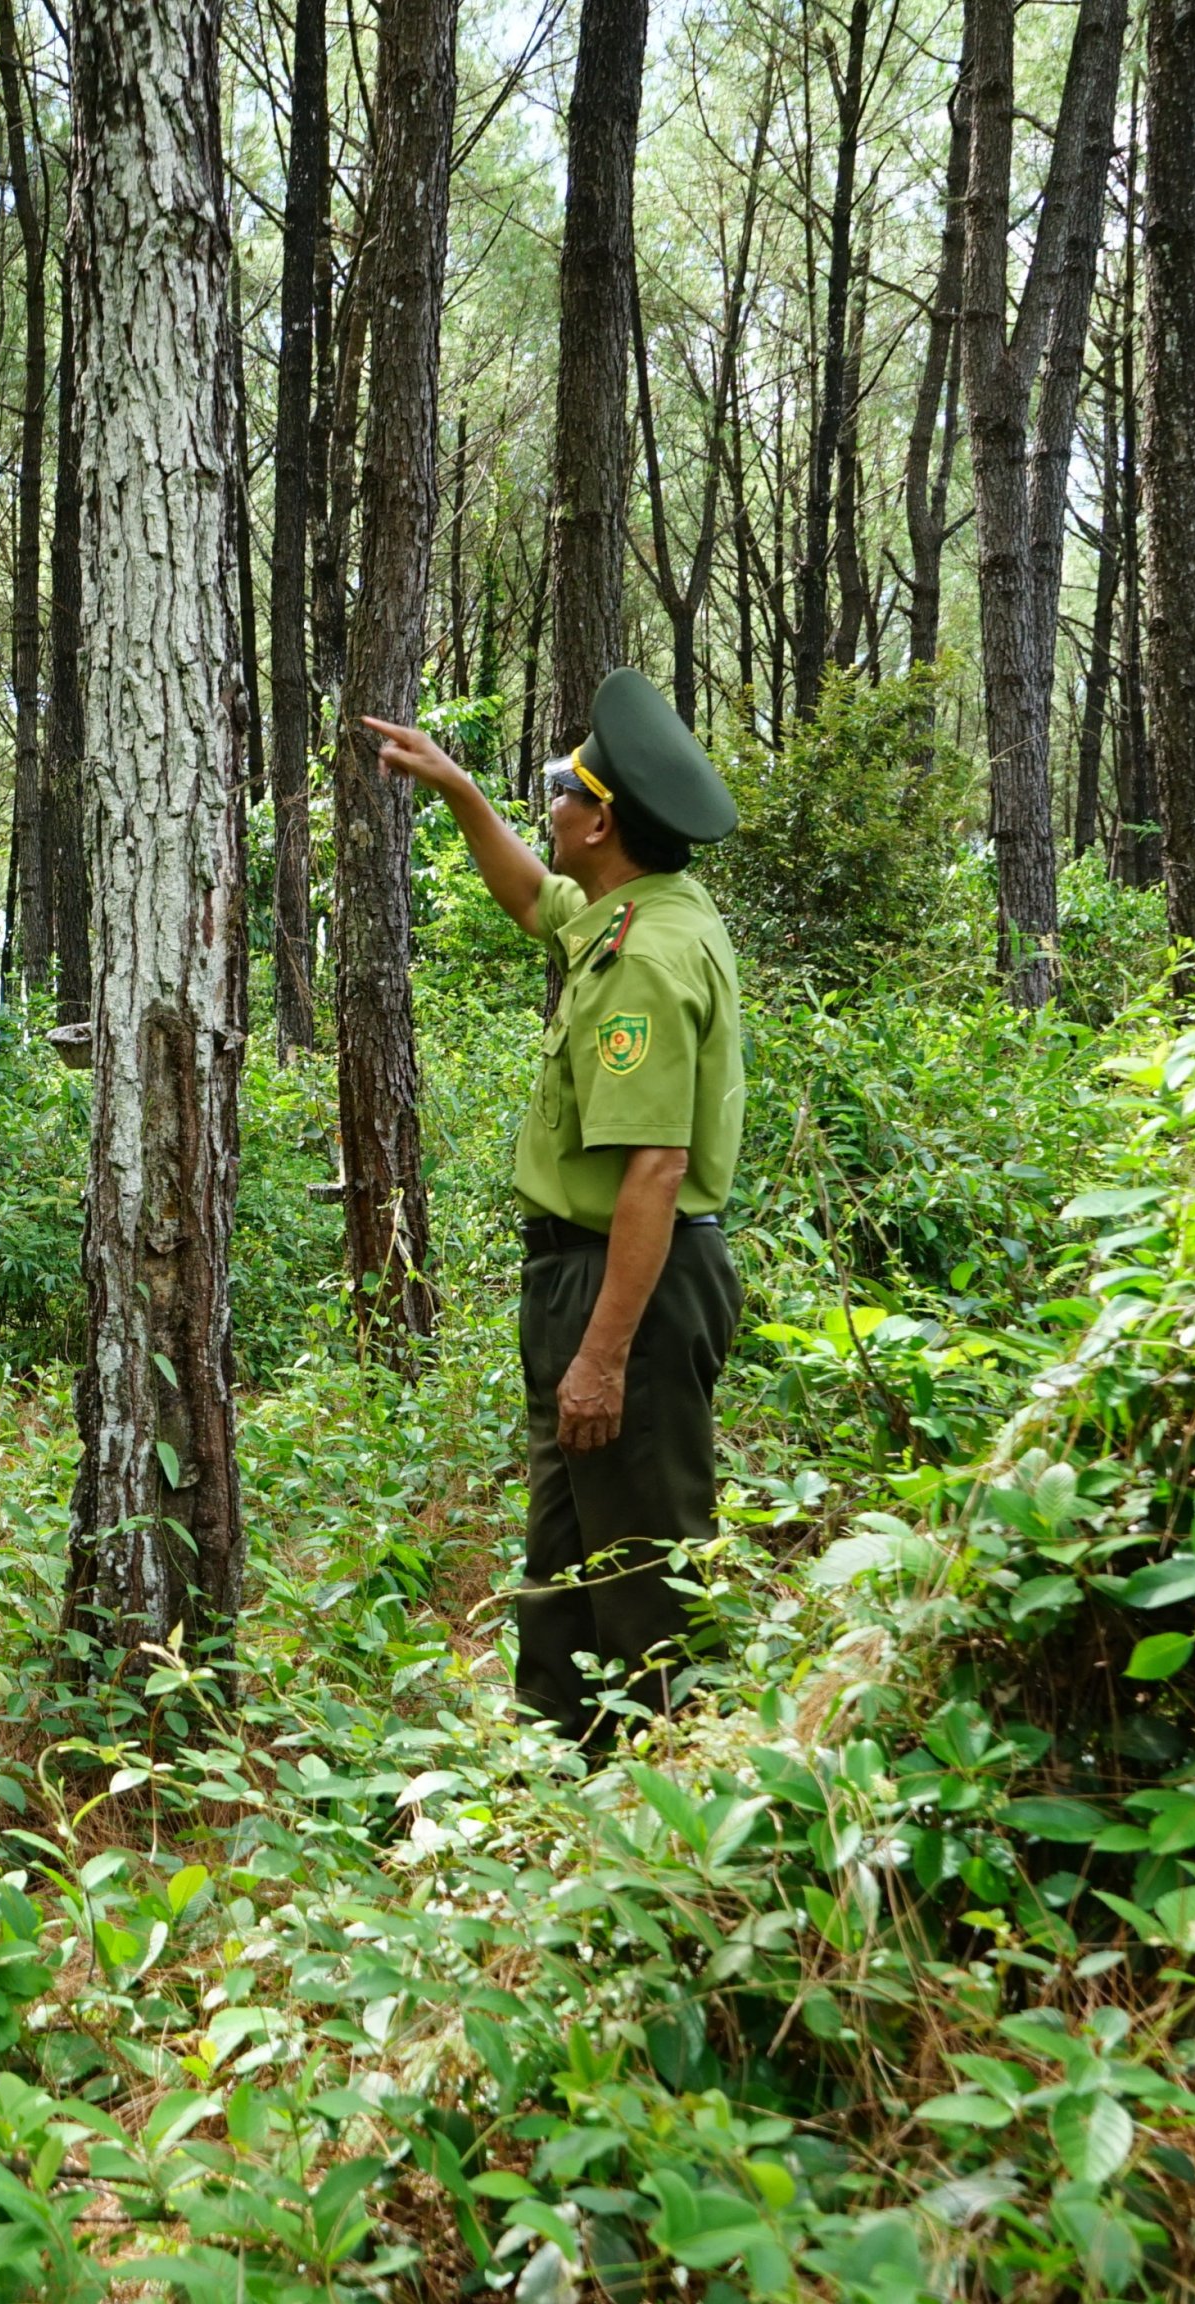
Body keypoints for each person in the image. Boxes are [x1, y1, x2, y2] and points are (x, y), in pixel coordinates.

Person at [360, 669, 746, 1750]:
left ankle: (676, 1805)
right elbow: (535, 899)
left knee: (646, 1575)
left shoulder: (645, 960)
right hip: (598, 1274)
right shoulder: (640, 905)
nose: (552, 806)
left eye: (564, 791)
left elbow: (654, 1171)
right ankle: (559, 1779)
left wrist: (604, 1353)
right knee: (567, 1556)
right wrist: (456, 789)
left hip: (632, 1282)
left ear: (603, 823)